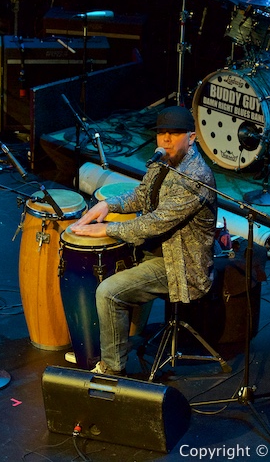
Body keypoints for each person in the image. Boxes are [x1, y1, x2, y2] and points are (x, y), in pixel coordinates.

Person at [69, 106, 217, 375]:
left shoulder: (195, 176)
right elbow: (142, 195)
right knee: (97, 267)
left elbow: (157, 221)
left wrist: (108, 229)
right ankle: (104, 345)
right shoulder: (161, 160)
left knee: (108, 291)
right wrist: (107, 204)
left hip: (179, 265)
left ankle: (112, 370)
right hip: (151, 251)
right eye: (162, 134)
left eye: (174, 134)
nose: (166, 140)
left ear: (192, 138)